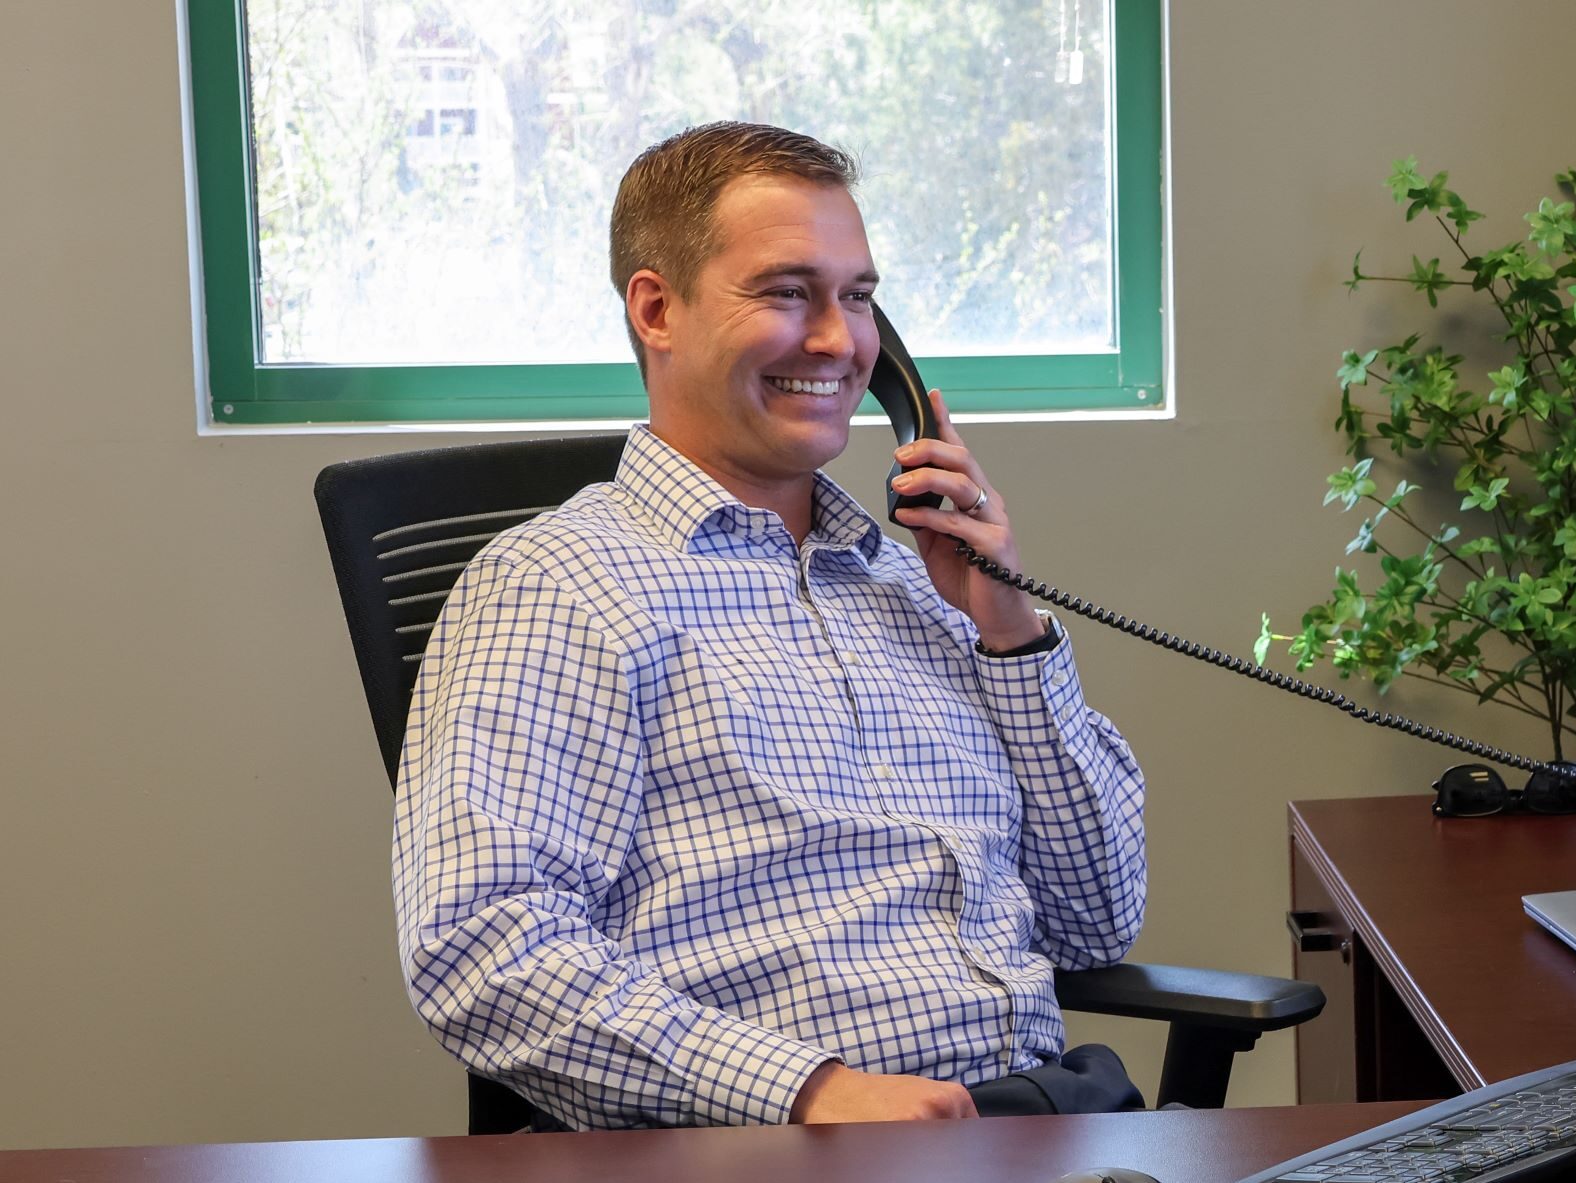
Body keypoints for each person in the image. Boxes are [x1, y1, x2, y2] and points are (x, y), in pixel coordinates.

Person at [392, 121, 1148, 1129]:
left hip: (1039, 1123)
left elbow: (1096, 923)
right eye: (790, 293)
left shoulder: (920, 585)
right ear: (657, 309)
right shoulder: (557, 586)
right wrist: (810, 1094)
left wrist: (1008, 630)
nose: (839, 341)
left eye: (859, 298)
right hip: (771, 1145)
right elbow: (482, 949)